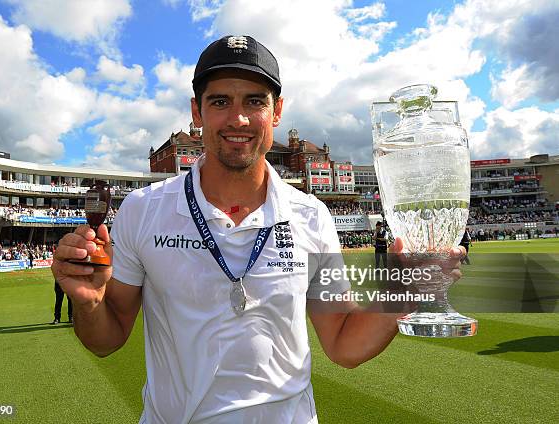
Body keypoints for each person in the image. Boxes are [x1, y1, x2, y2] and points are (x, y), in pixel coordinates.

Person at [51, 35, 465, 423]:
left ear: (277, 111)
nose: (239, 118)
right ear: (197, 113)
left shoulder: (311, 215)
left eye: (254, 101)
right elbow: (107, 338)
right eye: (219, 102)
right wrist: (88, 304)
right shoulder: (144, 209)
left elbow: (343, 342)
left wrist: (403, 295)